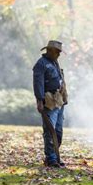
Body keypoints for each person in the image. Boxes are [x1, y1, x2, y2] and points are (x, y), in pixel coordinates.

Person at [33, 40, 68, 168]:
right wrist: (39, 100)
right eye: (57, 51)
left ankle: (56, 155)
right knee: (50, 130)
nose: (59, 54)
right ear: (49, 50)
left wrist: (64, 99)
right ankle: (51, 158)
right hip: (49, 101)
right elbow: (38, 83)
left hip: (59, 101)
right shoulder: (40, 64)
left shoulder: (55, 62)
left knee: (58, 131)